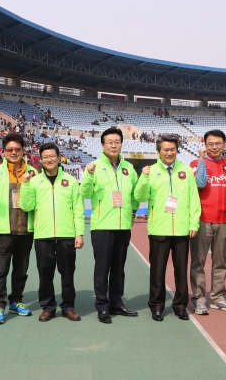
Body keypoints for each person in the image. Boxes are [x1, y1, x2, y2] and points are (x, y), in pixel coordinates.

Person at [134, 134, 201, 322]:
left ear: (177, 150)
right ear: (158, 151)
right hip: (158, 228)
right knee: (157, 270)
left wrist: (193, 222)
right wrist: (144, 177)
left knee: (181, 269)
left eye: (172, 149)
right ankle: (156, 305)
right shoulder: (151, 171)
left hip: (181, 229)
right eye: (166, 150)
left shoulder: (186, 172)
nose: (169, 153)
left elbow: (193, 199)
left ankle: (180, 305)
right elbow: (140, 196)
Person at [19, 143, 85, 322]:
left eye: (52, 156)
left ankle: (68, 307)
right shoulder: (34, 181)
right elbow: (27, 206)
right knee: (45, 274)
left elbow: (78, 208)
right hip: (43, 235)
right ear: (40, 160)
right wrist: (24, 184)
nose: (49, 159)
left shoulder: (70, 181)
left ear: (58, 157)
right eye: (45, 157)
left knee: (68, 273)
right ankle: (48, 307)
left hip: (66, 234)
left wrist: (79, 233)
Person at [80, 127, 139, 324]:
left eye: (117, 142)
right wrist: (87, 175)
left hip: (123, 226)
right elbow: (85, 194)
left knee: (119, 268)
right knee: (102, 268)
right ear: (103, 145)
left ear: (122, 144)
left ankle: (117, 302)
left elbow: (135, 195)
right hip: (102, 226)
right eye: (110, 142)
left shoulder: (128, 168)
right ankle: (102, 306)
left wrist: (132, 211)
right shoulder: (94, 167)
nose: (114, 145)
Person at [0, 133, 37, 324]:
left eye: (17, 149)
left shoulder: (32, 171)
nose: (13, 152)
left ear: (23, 151)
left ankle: (16, 301)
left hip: (26, 230)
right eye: (9, 150)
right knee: (0, 270)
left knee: (21, 270)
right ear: (3, 152)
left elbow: (36, 199)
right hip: (3, 230)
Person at [189, 130, 226, 315]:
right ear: (204, 144)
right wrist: (202, 158)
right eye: (210, 144)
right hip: (202, 220)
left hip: (225, 220)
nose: (214, 147)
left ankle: (217, 298)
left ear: (225, 144)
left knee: (220, 262)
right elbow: (199, 184)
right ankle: (199, 299)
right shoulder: (196, 164)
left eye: (218, 143)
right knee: (198, 262)